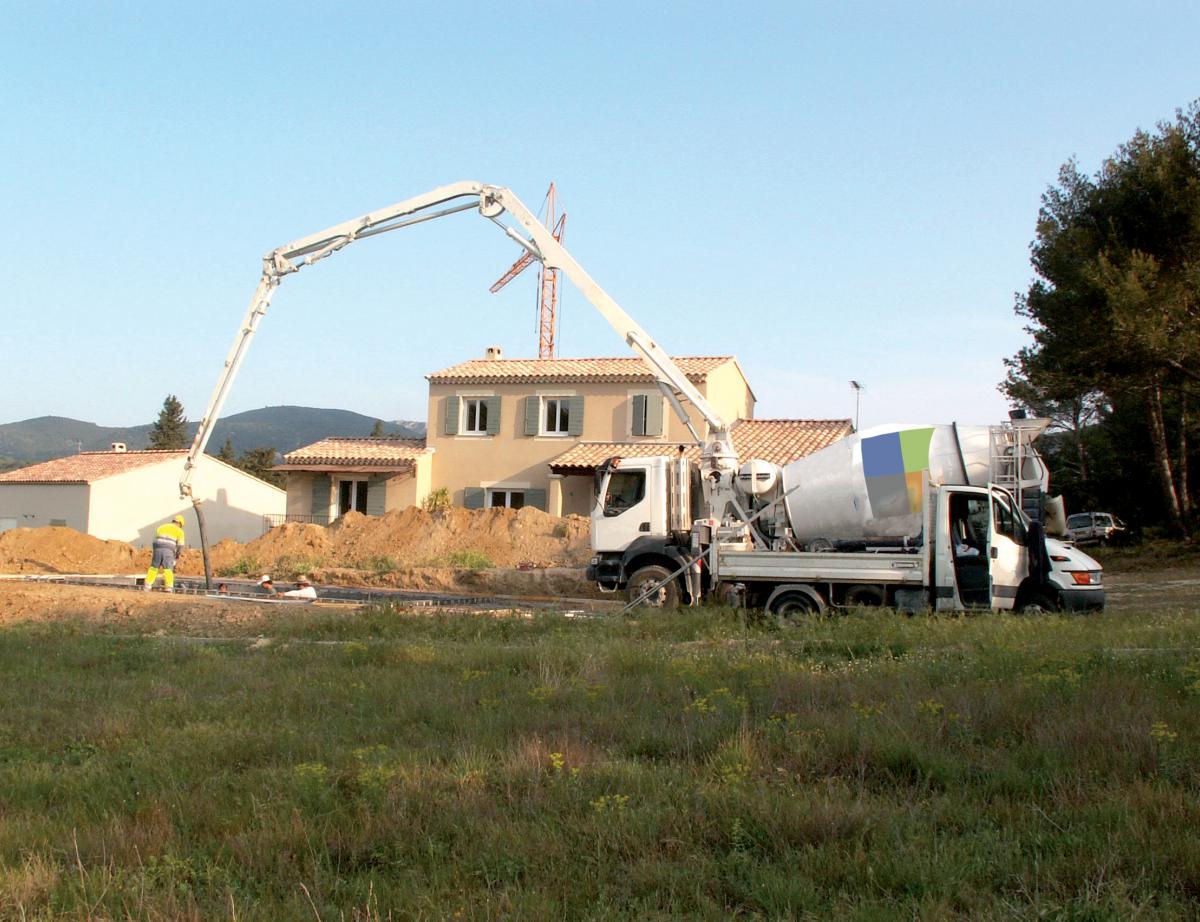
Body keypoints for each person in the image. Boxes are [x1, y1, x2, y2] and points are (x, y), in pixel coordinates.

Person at [144, 514, 185, 592]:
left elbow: (154, 541)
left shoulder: (161, 527)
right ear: (180, 524)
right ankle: (168, 588)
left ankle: (147, 586)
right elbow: (180, 546)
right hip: (169, 551)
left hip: (157, 548)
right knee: (168, 569)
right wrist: (177, 555)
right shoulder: (179, 531)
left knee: (153, 568)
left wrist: (155, 551)